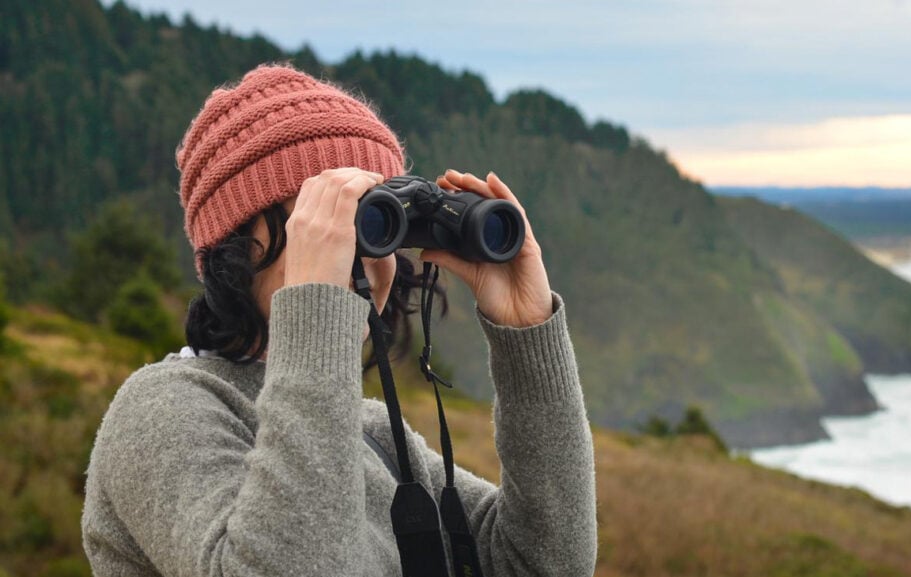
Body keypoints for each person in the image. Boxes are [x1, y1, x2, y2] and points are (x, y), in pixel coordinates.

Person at [80, 64, 597, 576]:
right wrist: (315, 306)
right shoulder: (162, 409)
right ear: (236, 245)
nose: (354, 249)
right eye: (324, 219)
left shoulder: (372, 432)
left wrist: (528, 337)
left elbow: (543, 563)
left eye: (374, 221)